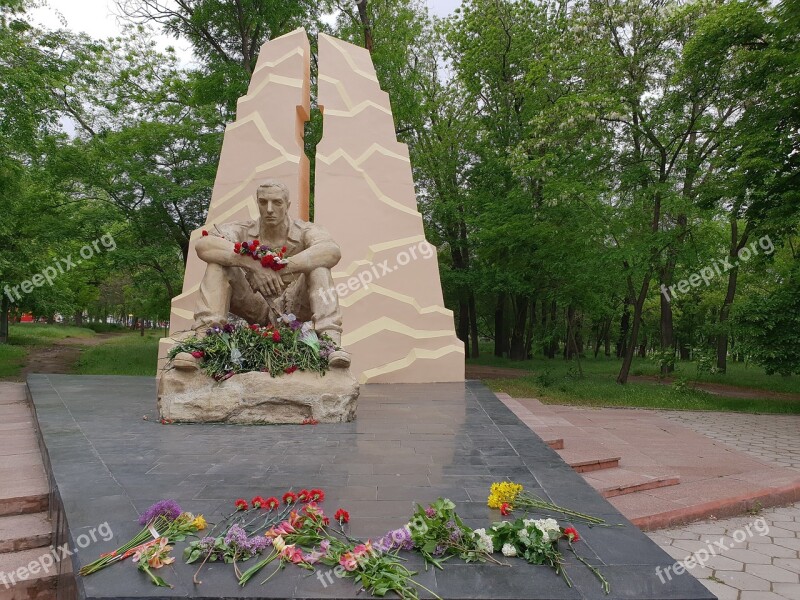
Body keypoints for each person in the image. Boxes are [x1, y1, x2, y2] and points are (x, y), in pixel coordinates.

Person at [173, 180, 350, 369]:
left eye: (277, 202)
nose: (270, 209)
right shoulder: (242, 229)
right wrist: (252, 264)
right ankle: (205, 343)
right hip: (254, 303)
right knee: (218, 265)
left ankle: (330, 344)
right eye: (263, 202)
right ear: (257, 203)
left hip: (294, 305)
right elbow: (204, 245)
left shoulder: (306, 230)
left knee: (320, 268)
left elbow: (331, 251)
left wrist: (282, 267)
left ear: (288, 205)